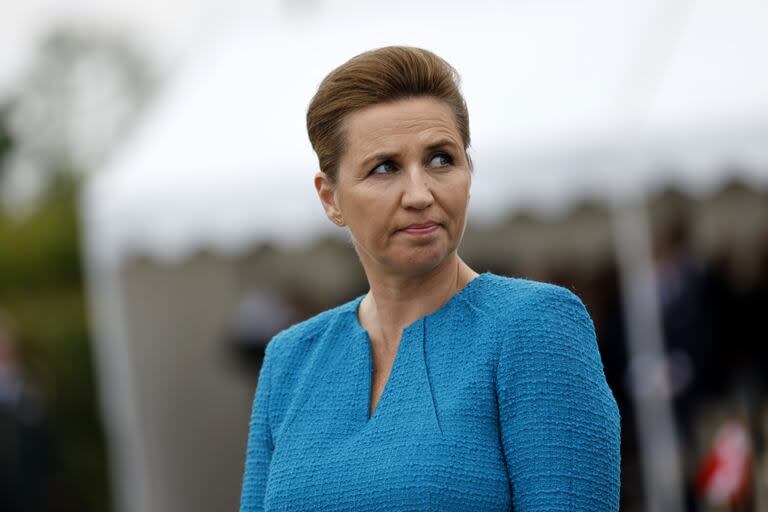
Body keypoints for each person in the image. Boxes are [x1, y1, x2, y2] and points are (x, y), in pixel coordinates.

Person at [239, 46, 621, 511]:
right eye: (385, 167)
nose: (420, 194)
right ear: (330, 197)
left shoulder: (534, 327)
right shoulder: (290, 361)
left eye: (441, 159)